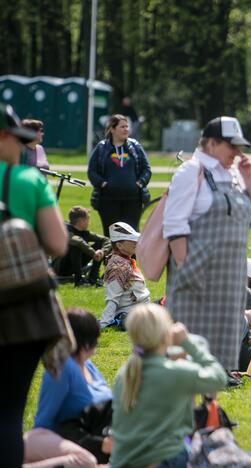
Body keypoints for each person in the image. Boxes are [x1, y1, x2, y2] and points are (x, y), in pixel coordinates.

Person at [163, 116, 251, 371]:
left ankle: (210, 411)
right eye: (231, 145)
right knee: (187, 360)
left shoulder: (234, 173)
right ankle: (186, 411)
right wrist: (187, 272)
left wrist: (248, 178)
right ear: (211, 143)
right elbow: (174, 226)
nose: (237, 152)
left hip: (229, 283)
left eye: (239, 147)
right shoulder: (191, 172)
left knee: (219, 365)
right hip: (197, 279)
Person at [0, 103, 70, 467]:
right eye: (18, 140)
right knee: (9, 413)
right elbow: (59, 244)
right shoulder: (26, 180)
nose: (24, 149)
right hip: (21, 310)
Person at [109, 304, 227, 468]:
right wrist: (188, 342)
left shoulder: (125, 374)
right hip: (165, 461)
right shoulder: (175, 372)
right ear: (166, 334)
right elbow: (219, 377)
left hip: (122, 461)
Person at [25, 309, 112, 466]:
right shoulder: (64, 368)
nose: (98, 341)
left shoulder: (88, 365)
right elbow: (45, 419)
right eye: (95, 336)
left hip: (93, 439)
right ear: (86, 340)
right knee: (86, 462)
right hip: (61, 437)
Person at [87, 114, 152, 232]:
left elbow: (146, 169)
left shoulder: (135, 146)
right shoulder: (102, 148)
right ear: (112, 129)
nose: (126, 129)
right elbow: (92, 171)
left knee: (131, 236)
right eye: (122, 127)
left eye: (127, 126)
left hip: (133, 200)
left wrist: (139, 183)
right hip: (108, 201)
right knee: (111, 236)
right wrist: (103, 184)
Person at [101, 222, 151, 329]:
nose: (135, 242)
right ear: (119, 245)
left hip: (142, 309)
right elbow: (112, 298)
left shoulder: (125, 261)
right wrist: (105, 323)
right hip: (132, 313)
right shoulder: (118, 267)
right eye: (131, 241)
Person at [53, 206, 111, 287]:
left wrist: (102, 252)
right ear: (81, 221)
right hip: (60, 267)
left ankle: (93, 279)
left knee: (99, 243)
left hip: (74, 265)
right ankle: (78, 280)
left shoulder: (84, 232)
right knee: (76, 246)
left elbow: (106, 240)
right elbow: (78, 241)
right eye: (87, 219)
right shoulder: (65, 230)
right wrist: (93, 253)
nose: (89, 222)